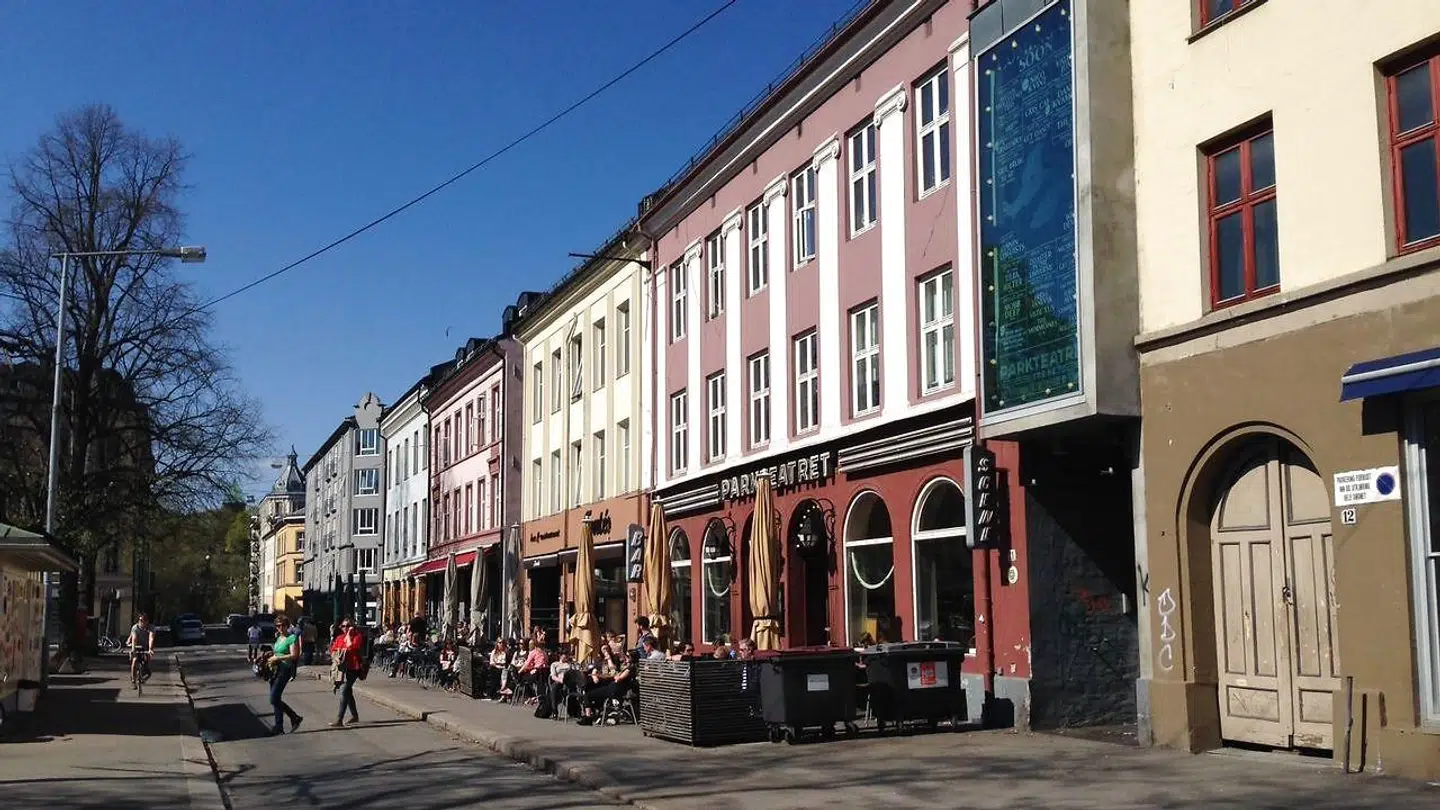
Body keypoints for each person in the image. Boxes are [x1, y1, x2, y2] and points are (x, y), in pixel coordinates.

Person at [267, 614, 304, 735]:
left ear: (287, 626)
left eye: (283, 625)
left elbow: (294, 655)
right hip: (275, 669)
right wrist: (270, 657)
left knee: (273, 698)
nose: (280, 628)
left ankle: (294, 717)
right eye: (278, 626)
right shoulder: (278, 638)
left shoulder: (292, 638)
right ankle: (279, 726)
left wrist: (278, 658)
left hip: (285, 669)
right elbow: (276, 652)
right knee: (276, 698)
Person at [329, 618, 366, 727]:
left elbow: (352, 647)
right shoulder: (339, 638)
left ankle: (339, 719)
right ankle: (354, 716)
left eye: (348, 626)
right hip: (341, 668)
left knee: (344, 690)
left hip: (353, 667)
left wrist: (349, 635)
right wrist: (335, 658)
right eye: (343, 626)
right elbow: (333, 650)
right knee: (347, 692)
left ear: (352, 626)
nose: (345, 628)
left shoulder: (357, 637)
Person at [126, 613, 156, 687]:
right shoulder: (135, 628)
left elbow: (151, 638)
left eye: (144, 621)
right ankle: (133, 680)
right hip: (137, 645)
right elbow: (134, 639)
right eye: (141, 620)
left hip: (146, 646)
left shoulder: (151, 627)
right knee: (135, 660)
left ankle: (145, 671)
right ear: (138, 621)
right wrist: (133, 650)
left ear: (147, 621)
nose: (142, 622)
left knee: (147, 661)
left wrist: (150, 649)